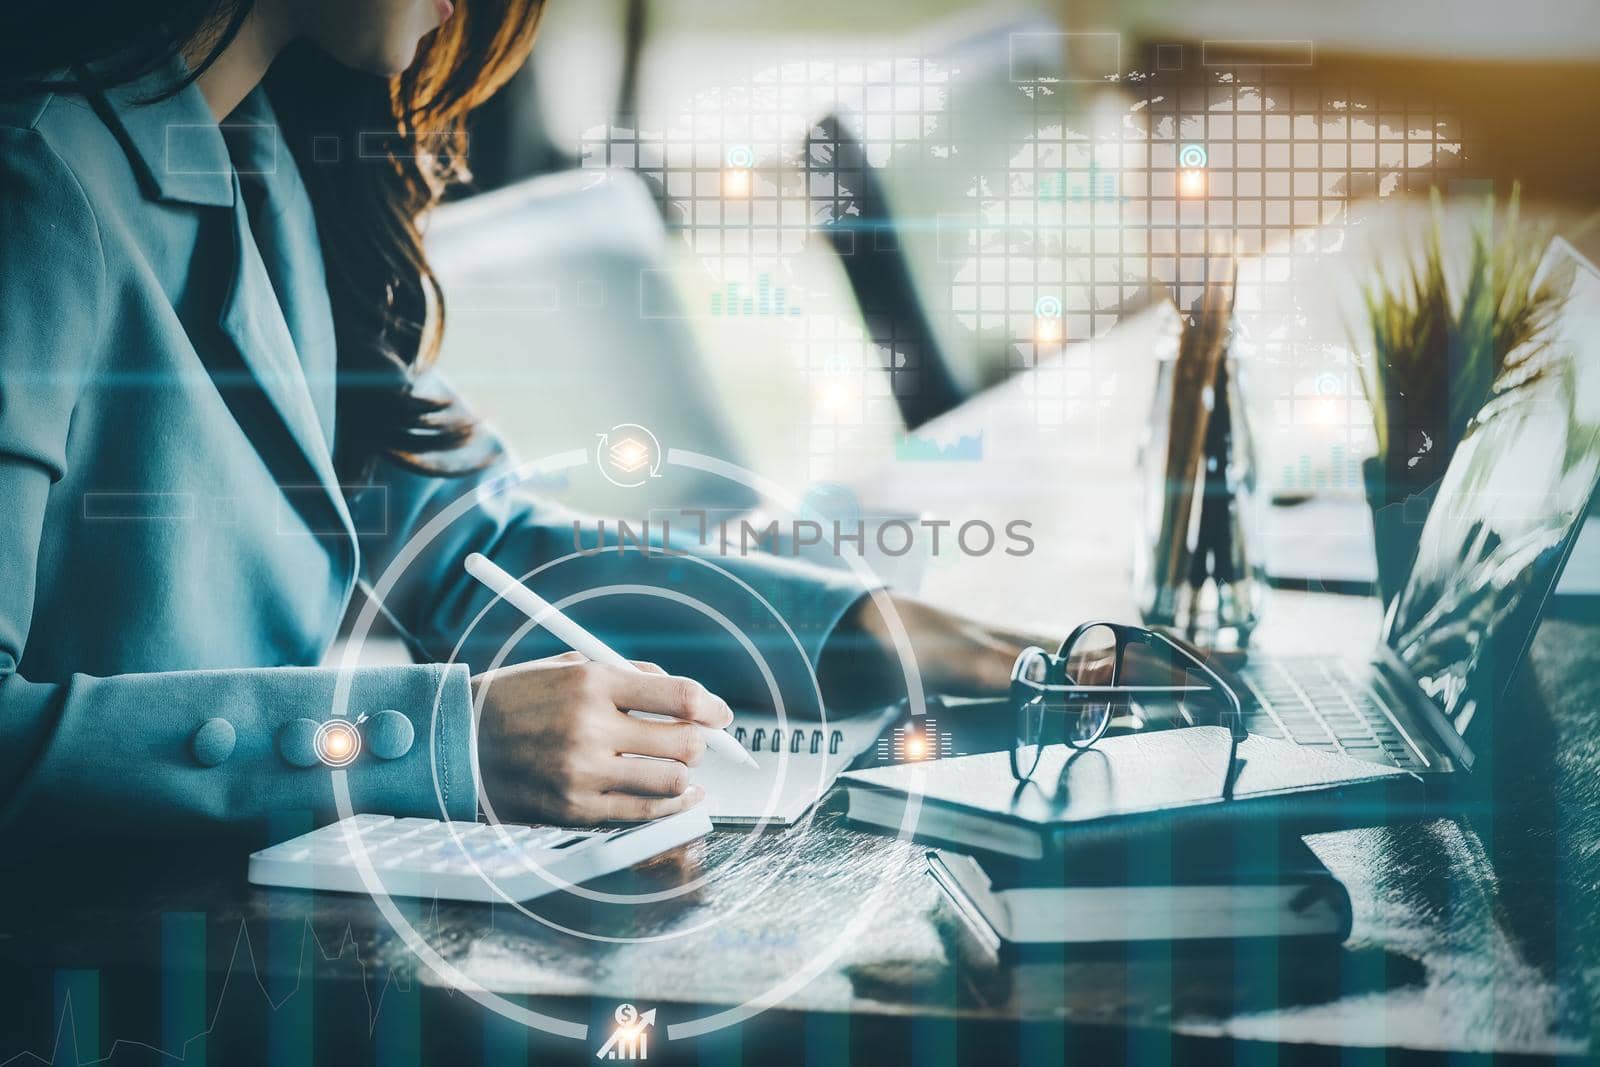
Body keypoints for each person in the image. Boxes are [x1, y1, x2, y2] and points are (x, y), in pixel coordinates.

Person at [0, 0, 1037, 836]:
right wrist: (444, 742)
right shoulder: (33, 187)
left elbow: (472, 544)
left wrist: (864, 626)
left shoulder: (265, 143)